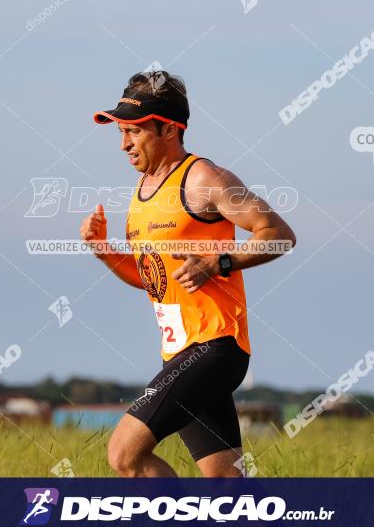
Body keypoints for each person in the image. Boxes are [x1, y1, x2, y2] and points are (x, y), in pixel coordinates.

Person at [81, 70, 296, 477]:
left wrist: (222, 261)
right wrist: (105, 251)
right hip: (180, 352)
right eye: (121, 133)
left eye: (134, 132)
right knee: (226, 485)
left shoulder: (204, 180)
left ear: (168, 129)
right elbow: (152, 280)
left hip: (216, 347)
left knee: (124, 454)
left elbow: (279, 235)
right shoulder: (143, 192)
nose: (124, 144)